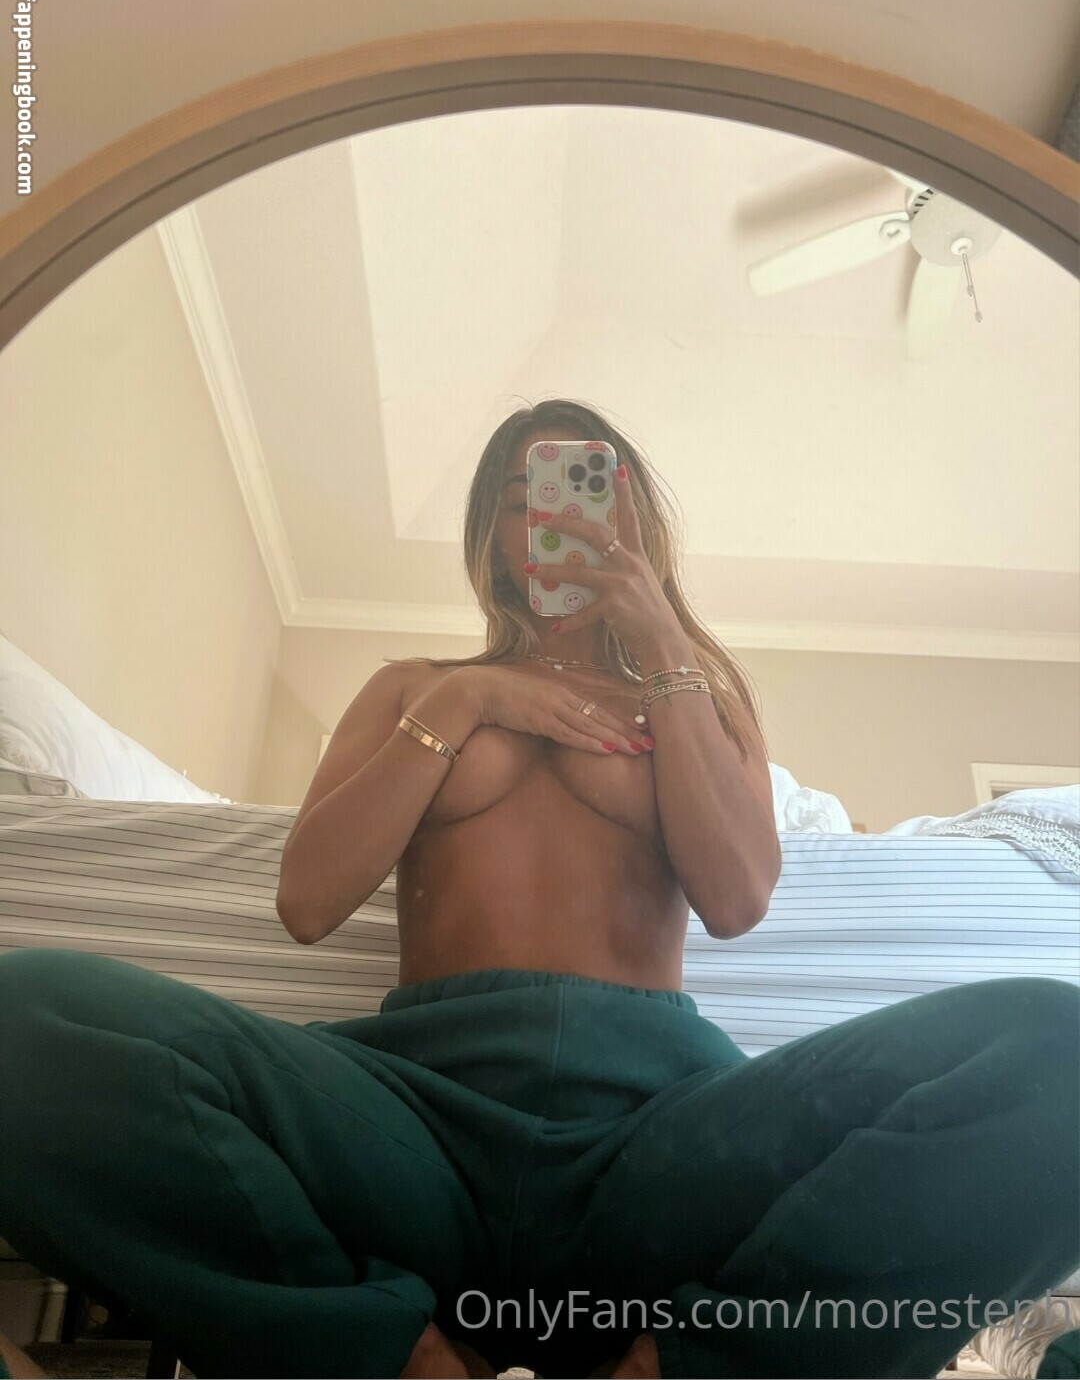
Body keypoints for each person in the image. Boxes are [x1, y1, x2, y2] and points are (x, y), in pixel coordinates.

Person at [0, 399, 1076, 1380]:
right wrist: (466, 703)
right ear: (491, 535)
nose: (547, 517)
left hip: (660, 1140)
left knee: (1059, 1052)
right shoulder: (414, 687)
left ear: (634, 523)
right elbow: (309, 900)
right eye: (520, 497)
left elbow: (739, 897)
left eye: (578, 493)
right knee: (25, 1016)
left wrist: (664, 646)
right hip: (413, 1122)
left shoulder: (697, 698)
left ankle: (686, 1367)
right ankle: (395, 1354)